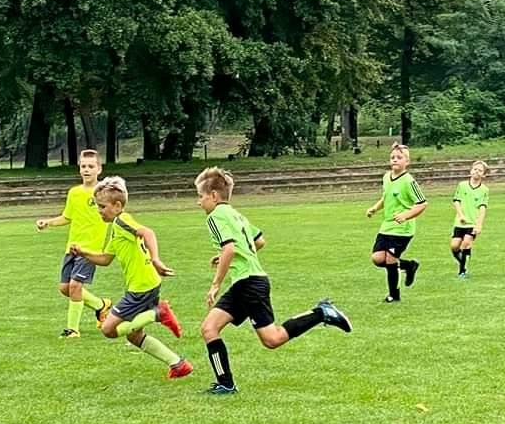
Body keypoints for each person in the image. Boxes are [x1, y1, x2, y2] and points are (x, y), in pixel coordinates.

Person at [194, 167, 352, 395]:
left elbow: (229, 249)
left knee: (271, 339)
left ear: (214, 196)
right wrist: (234, 256)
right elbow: (259, 241)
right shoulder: (236, 215)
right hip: (248, 282)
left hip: (249, 285)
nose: (198, 202)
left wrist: (216, 283)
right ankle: (225, 384)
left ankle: (321, 313)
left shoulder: (215, 216)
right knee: (211, 328)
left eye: (200, 196)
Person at [70, 176, 193, 379]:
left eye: (102, 206)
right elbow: (105, 259)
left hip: (141, 287)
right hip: (147, 284)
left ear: (117, 206)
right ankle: (178, 364)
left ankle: (158, 313)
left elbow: (148, 232)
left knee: (108, 329)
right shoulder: (116, 228)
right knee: (135, 336)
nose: (99, 211)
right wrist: (83, 252)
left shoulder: (122, 220)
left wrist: (155, 259)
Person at [35, 149, 111, 338]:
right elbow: (67, 217)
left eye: (91, 166)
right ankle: (101, 305)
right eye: (83, 166)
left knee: (75, 286)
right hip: (72, 247)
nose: (87, 170)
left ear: (99, 169)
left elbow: (115, 213)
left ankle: (72, 330)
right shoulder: (74, 193)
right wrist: (48, 222)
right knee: (65, 288)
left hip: (90, 250)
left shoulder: (104, 193)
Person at [366, 143, 428, 303]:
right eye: (392, 157)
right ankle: (409, 266)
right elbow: (385, 197)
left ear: (407, 162)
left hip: (402, 229)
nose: (395, 160)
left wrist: (406, 216)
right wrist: (375, 208)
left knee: (390, 260)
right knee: (377, 258)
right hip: (387, 226)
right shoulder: (386, 177)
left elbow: (422, 204)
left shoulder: (409, 181)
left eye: (399, 157)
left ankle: (394, 295)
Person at [450, 161, 490, 278]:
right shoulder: (462, 185)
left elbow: (482, 208)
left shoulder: (484, 190)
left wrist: (479, 224)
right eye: (475, 169)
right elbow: (456, 201)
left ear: (484, 175)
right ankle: (463, 263)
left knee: (466, 243)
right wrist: (461, 215)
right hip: (460, 223)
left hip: (472, 223)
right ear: (471, 171)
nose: (476, 172)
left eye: (480, 170)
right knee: (454, 246)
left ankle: (462, 271)